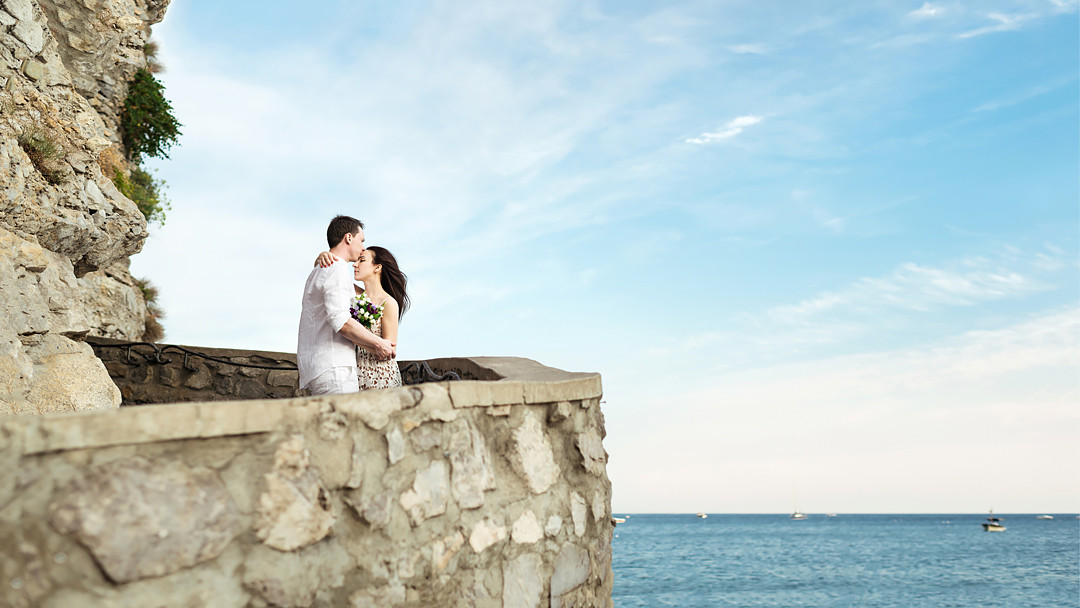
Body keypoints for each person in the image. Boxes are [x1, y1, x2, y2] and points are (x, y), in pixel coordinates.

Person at [297, 216, 395, 395]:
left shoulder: (320, 269)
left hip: (322, 366)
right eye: (361, 240)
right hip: (335, 367)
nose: (363, 247)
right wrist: (379, 344)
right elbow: (341, 321)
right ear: (349, 238)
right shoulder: (336, 268)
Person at [316, 246, 410, 390]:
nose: (355, 264)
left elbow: (389, 350)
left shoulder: (389, 303)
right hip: (356, 373)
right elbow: (328, 275)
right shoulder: (356, 295)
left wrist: (353, 338)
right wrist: (322, 256)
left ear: (377, 267)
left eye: (362, 260)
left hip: (381, 375)